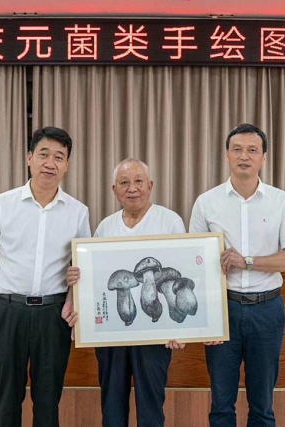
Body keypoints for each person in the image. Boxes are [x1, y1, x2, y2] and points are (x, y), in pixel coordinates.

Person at [0, 126, 90, 427]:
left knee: (48, 401)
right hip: (8, 312)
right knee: (7, 399)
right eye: (44, 154)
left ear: (67, 165)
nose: (50, 163)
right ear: (29, 158)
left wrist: (73, 301)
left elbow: (82, 268)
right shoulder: (2, 204)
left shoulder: (78, 212)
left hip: (53, 316)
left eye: (59, 157)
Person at [189, 124, 285, 427]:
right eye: (237, 149)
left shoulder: (282, 201)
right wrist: (206, 320)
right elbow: (194, 265)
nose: (244, 156)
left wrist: (247, 262)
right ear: (227, 155)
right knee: (221, 405)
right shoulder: (206, 202)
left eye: (252, 150)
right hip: (223, 310)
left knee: (263, 406)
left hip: (267, 310)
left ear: (263, 158)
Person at [67, 158, 185, 427]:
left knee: (151, 405)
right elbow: (93, 279)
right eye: (124, 183)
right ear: (114, 190)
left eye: (138, 181)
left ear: (150, 186)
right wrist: (76, 278)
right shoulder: (105, 227)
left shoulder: (170, 221)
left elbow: (179, 274)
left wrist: (180, 330)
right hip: (111, 335)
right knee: (112, 403)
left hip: (155, 335)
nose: (132, 188)